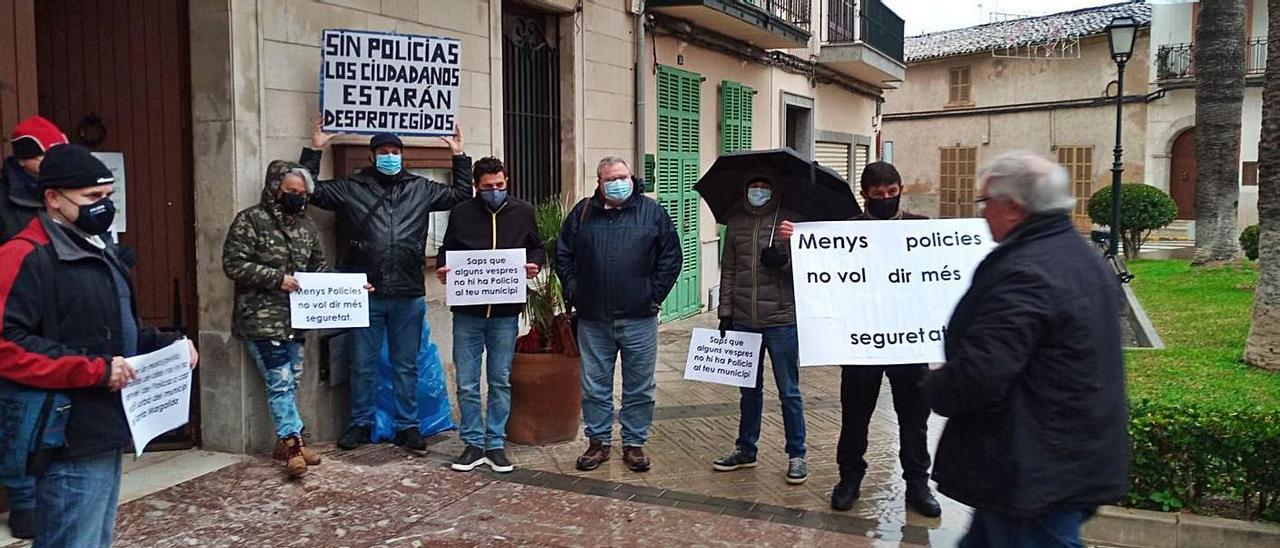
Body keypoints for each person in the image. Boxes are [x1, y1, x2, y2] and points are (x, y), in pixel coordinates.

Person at [922, 151, 1128, 547]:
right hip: (1052, 458)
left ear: (1013, 209)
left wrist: (930, 386)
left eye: (986, 202)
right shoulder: (1077, 255)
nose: (983, 214)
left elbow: (981, 371)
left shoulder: (1028, 272)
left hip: (1034, 468)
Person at [0, 144, 198, 546]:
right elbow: (8, 346)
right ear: (53, 198)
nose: (103, 207)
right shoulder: (23, 256)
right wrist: (95, 369)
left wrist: (169, 344)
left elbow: (121, 329)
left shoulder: (101, 249)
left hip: (106, 427)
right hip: (64, 433)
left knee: (93, 539)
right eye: (92, 198)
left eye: (107, 198)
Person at [305, 121, 472, 454]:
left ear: (402, 156)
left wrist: (458, 154)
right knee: (362, 362)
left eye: (395, 152)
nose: (390, 157)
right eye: (384, 152)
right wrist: (315, 148)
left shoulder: (420, 188)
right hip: (365, 293)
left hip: (408, 292)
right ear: (373, 156)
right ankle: (360, 423)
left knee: (405, 364)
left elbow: (459, 195)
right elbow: (313, 191)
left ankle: (408, 426)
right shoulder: (353, 187)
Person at [791, 162, 942, 516]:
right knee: (854, 417)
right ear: (864, 195)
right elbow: (820, 276)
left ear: (901, 189)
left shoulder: (922, 228)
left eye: (893, 193)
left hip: (909, 344)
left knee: (914, 420)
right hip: (861, 345)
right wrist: (795, 244)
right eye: (879, 195)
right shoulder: (847, 232)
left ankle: (918, 485)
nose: (887, 199)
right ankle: (849, 479)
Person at [223, 160, 370, 478]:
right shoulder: (251, 220)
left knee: (294, 378)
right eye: (291, 191)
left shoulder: (306, 228)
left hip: (297, 319)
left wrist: (352, 286)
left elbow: (319, 268)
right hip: (260, 319)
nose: (298, 198)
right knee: (280, 381)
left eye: (302, 193)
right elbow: (233, 263)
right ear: (275, 188)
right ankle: (293, 446)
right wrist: (277, 278)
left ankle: (286, 440)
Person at [555, 156, 682, 473]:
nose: (618, 182)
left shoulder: (652, 212)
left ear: (632, 178)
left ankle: (634, 443)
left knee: (639, 386)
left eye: (623, 176)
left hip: (639, 318)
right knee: (595, 386)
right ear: (599, 182)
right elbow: (563, 255)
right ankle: (598, 443)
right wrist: (574, 291)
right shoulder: (582, 213)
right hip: (593, 318)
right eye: (611, 178)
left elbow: (671, 257)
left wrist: (652, 296)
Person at [434, 157, 545, 474]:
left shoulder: (523, 211)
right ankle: (472, 443)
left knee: (499, 380)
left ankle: (495, 444)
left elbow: (536, 248)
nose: (494, 191)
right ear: (476, 187)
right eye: (487, 187)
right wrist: (444, 269)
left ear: (506, 180)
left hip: (505, 314)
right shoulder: (461, 213)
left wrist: (533, 264)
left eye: (499, 185)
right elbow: (447, 249)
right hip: (467, 313)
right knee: (467, 383)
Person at [710, 176, 809, 484]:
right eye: (754, 186)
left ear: (775, 189)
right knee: (749, 392)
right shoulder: (735, 223)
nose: (759, 191)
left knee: (789, 392)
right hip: (743, 320)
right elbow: (729, 271)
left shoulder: (791, 221)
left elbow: (811, 266)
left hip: (781, 320)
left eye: (765, 186)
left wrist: (784, 260)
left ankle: (797, 453)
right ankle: (745, 448)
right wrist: (725, 312)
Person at [0, 115, 67, 540]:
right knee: (17, 410)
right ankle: (22, 498)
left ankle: (45, 493)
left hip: (59, 308)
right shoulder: (7, 199)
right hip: (18, 309)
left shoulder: (63, 191)